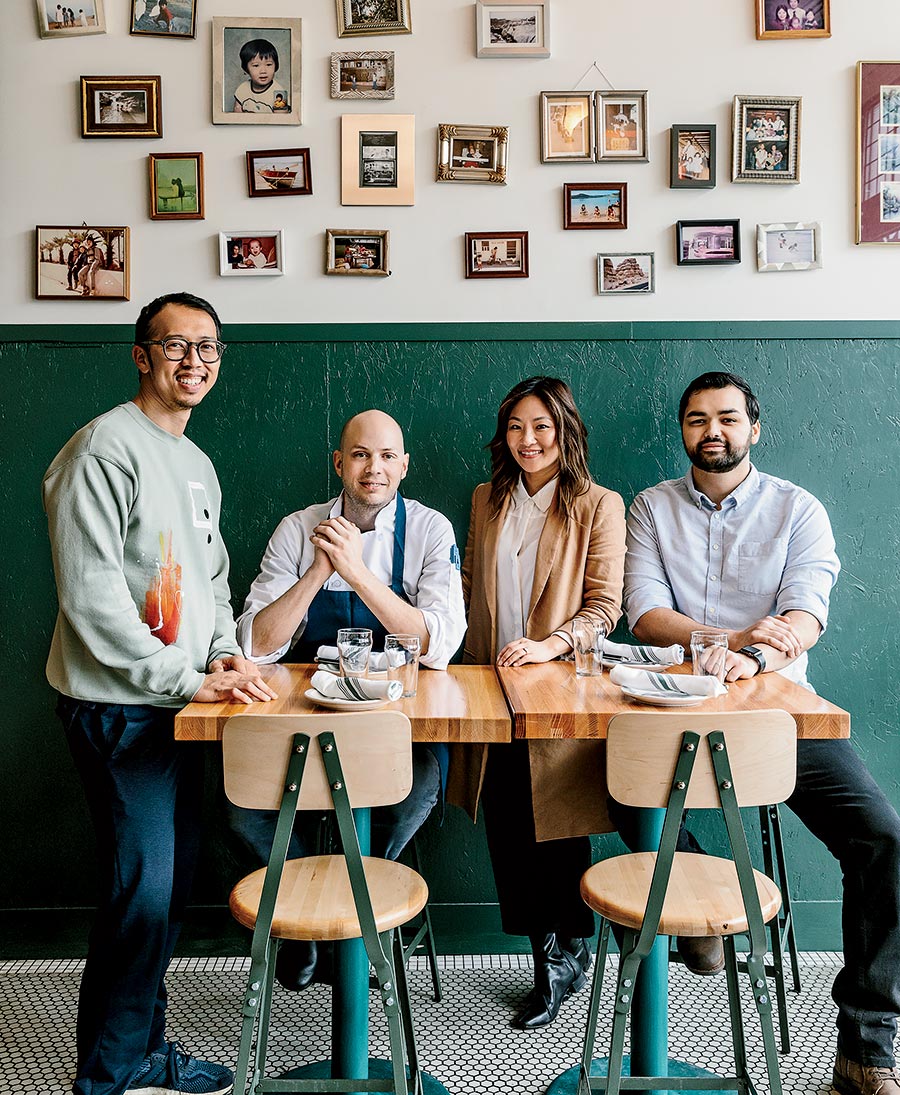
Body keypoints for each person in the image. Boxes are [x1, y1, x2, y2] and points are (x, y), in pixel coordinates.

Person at [620, 370, 900, 1095]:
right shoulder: (650, 507)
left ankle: (867, 1046)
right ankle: (699, 910)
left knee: (884, 838)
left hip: (777, 710)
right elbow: (645, 613)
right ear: (681, 431)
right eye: (696, 419)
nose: (712, 430)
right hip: (666, 704)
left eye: (726, 418)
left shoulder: (797, 509)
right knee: (598, 774)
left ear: (754, 427)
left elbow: (807, 613)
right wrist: (738, 633)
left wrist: (750, 655)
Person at [43, 291, 276, 1095]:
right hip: (117, 710)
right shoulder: (103, 449)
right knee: (140, 896)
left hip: (177, 708)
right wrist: (189, 676)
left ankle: (141, 1048)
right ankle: (108, 1074)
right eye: (176, 346)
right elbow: (93, 600)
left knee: (168, 892)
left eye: (208, 348)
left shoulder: (194, 460)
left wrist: (222, 654)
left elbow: (209, 581)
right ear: (141, 355)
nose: (194, 362)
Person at [232, 409, 466, 990]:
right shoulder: (297, 528)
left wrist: (359, 573)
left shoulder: (431, 530)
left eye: (388, 456)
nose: (374, 468)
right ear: (339, 463)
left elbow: (438, 645)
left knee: (415, 795)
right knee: (241, 805)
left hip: (396, 730)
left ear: (404, 465)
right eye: (360, 454)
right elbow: (256, 645)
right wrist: (317, 572)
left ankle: (352, 918)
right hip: (299, 729)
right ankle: (305, 916)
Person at [449, 376, 626, 1031]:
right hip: (487, 685)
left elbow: (606, 607)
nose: (529, 440)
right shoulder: (484, 498)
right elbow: (467, 587)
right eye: (518, 426)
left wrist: (551, 644)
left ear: (565, 431)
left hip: (558, 691)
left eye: (543, 426)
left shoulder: (597, 503)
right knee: (505, 823)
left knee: (554, 823)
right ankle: (549, 951)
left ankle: (561, 955)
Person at [233, 38, 286, 113]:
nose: (263, 71)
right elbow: (236, 116)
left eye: (268, 64)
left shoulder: (279, 93)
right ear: (246, 69)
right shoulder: (242, 89)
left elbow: (282, 120)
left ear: (276, 66)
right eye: (256, 65)